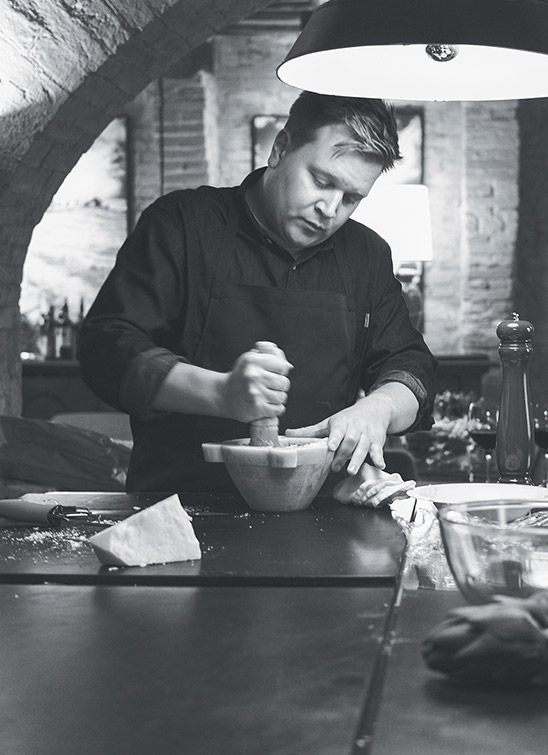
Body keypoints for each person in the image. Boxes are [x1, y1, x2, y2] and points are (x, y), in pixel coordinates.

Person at [78, 91, 438, 493]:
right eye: (321, 181)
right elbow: (107, 348)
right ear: (280, 149)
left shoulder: (366, 256)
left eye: (351, 198)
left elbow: (411, 365)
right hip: (180, 509)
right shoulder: (182, 225)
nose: (330, 208)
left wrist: (380, 408)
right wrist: (220, 393)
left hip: (322, 520)